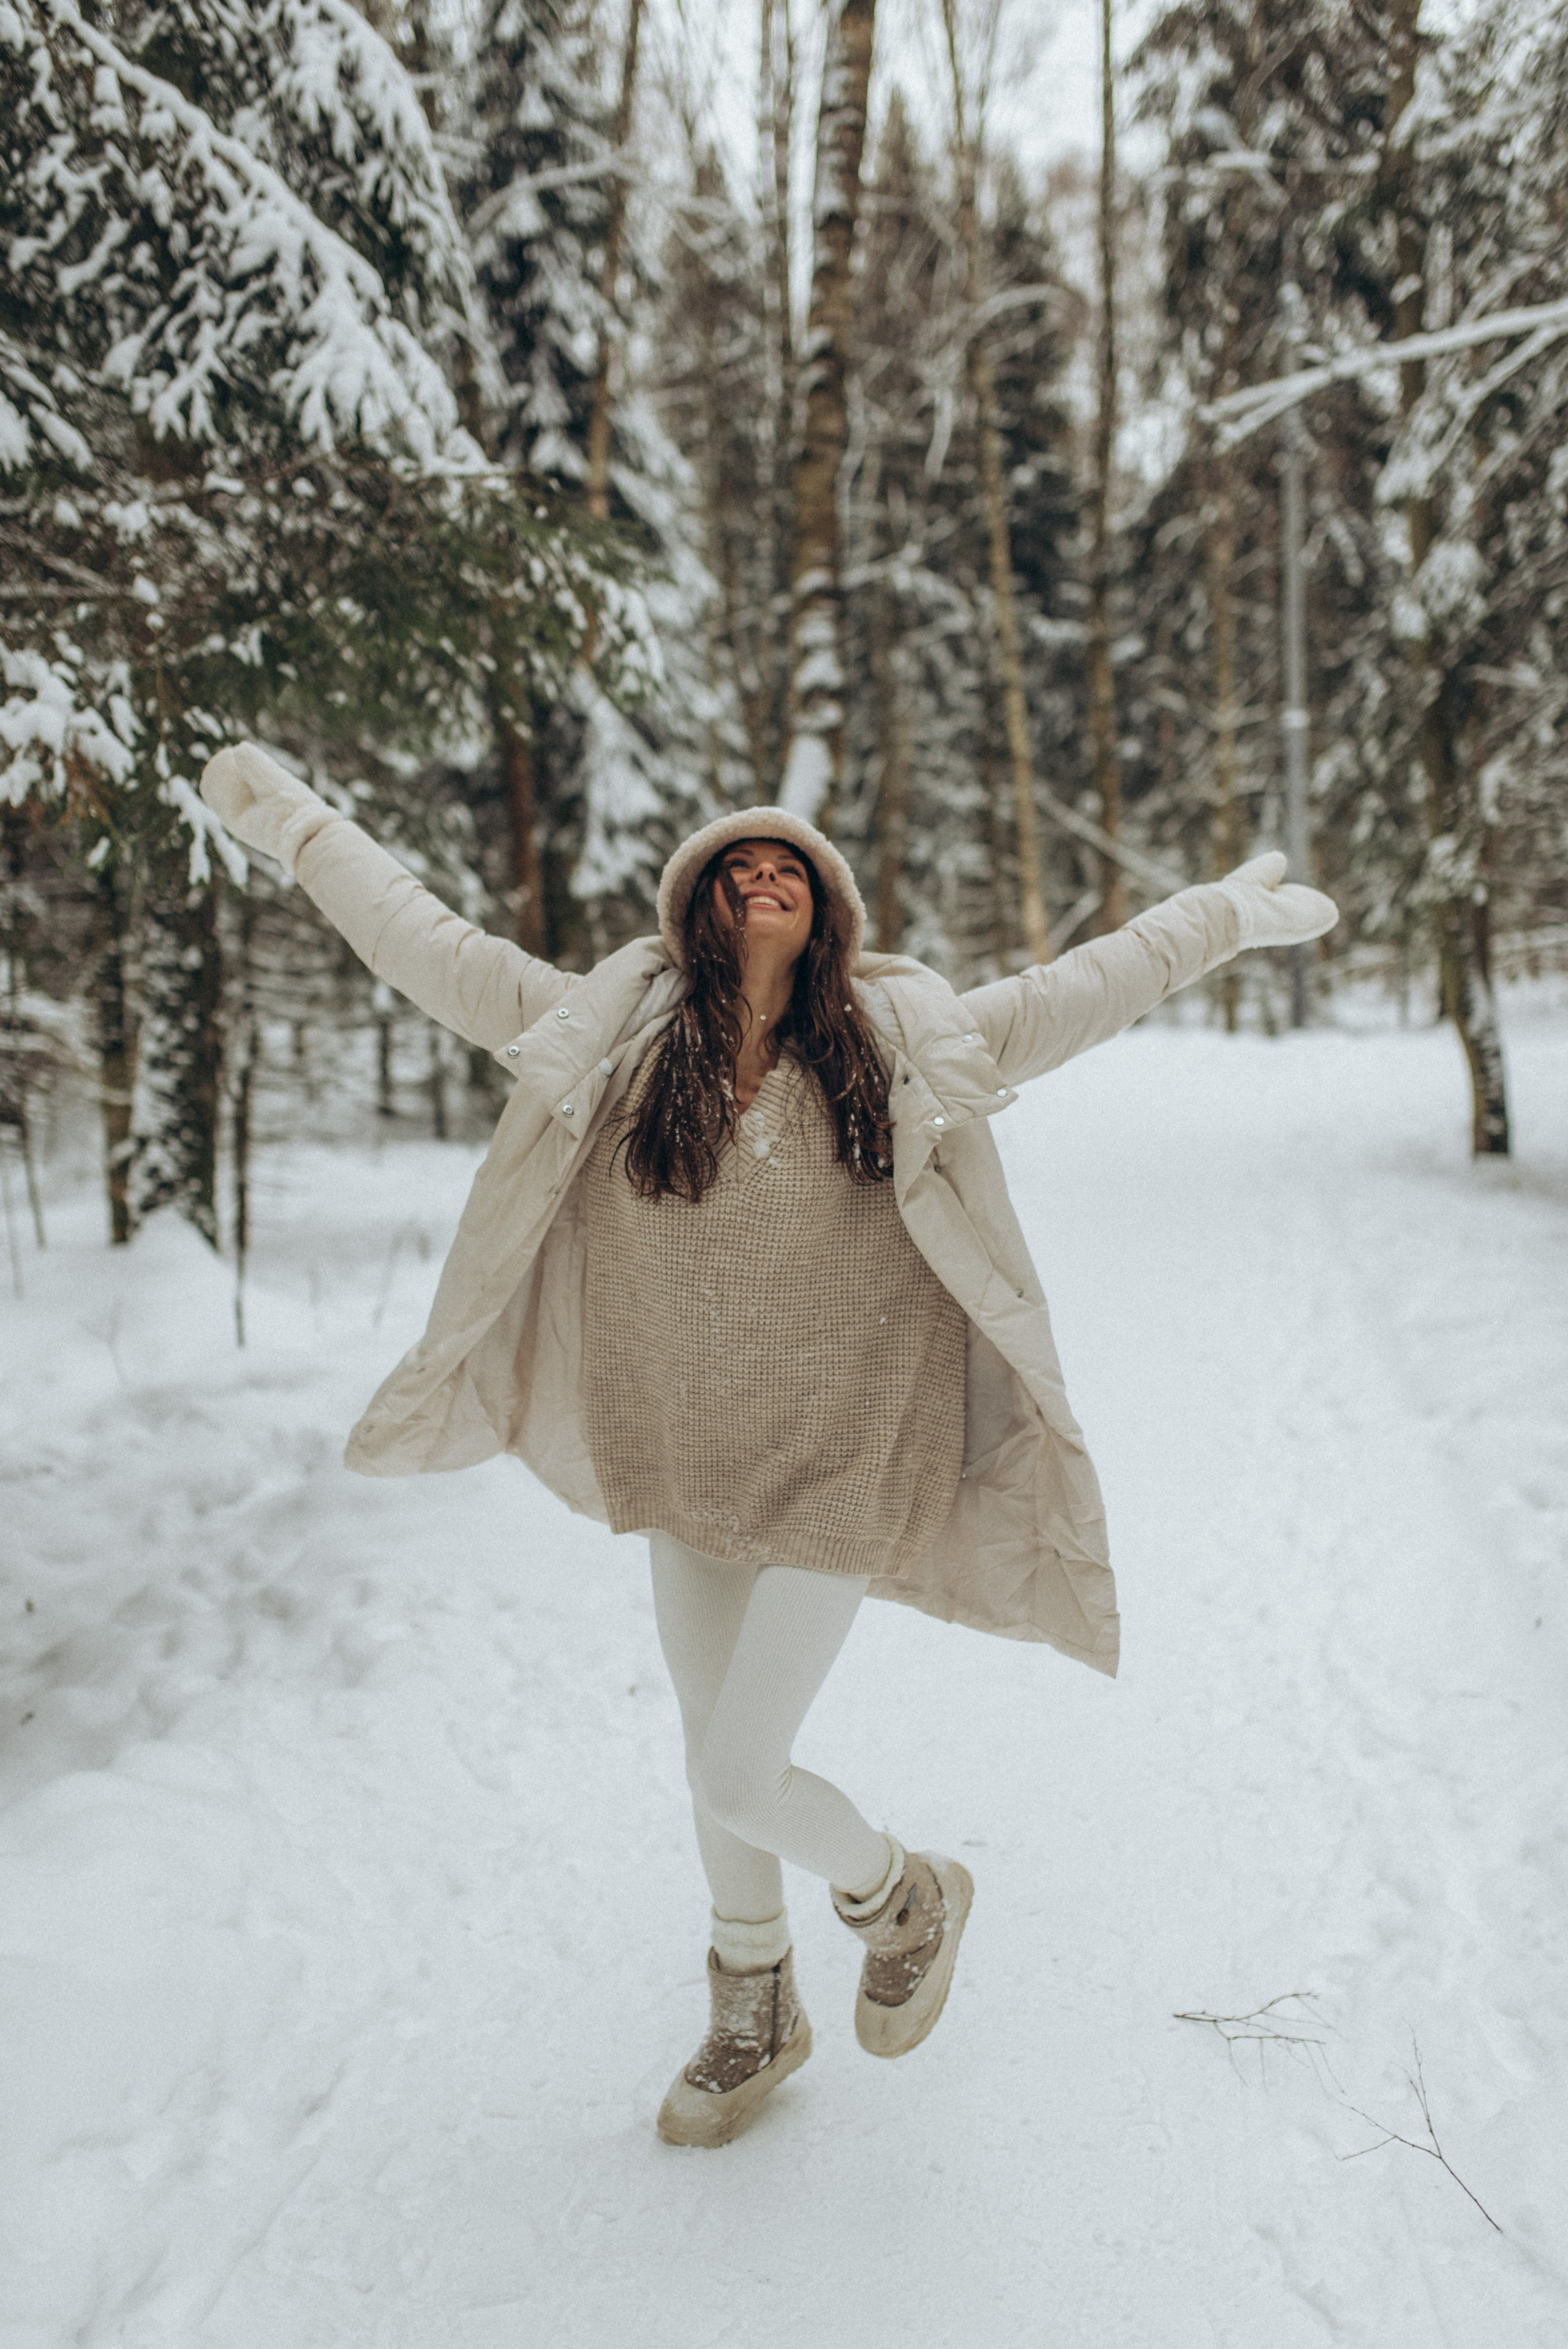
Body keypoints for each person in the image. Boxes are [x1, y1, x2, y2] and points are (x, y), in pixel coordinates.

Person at [199, 744, 1338, 2149]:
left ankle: (901, 1896)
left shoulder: (902, 1039)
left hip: (855, 1445)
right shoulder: (609, 1040)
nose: (759, 876)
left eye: (785, 865)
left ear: (827, 912)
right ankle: (756, 2003)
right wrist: (307, 825)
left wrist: (1218, 913)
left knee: (743, 1766)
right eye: (731, 867)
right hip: (680, 1445)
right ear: (694, 912)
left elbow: (1082, 987)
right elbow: (428, 942)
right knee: (705, 1740)